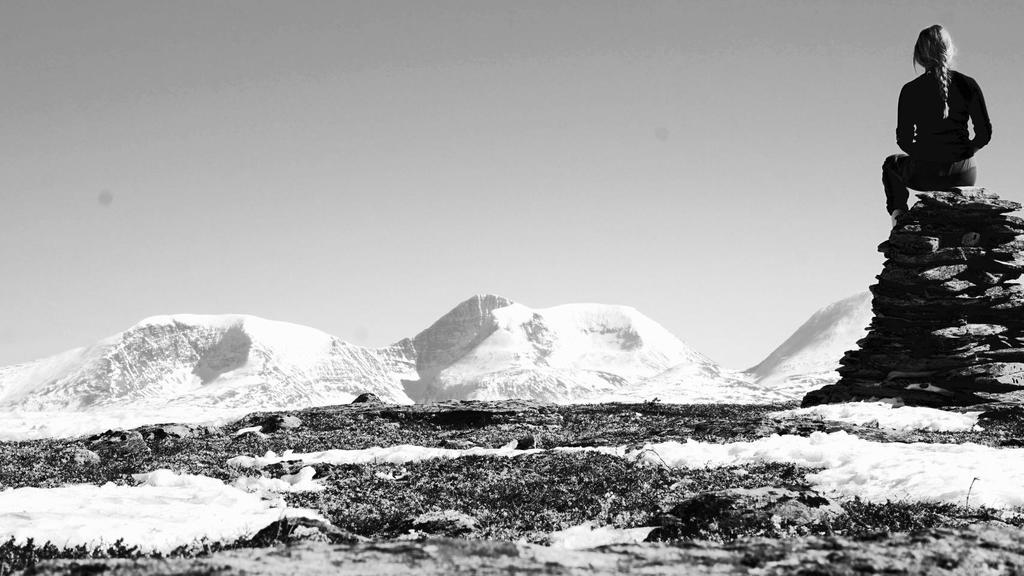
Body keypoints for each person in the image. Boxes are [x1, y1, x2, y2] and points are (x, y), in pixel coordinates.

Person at [882, 24, 992, 227]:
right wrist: (966, 150)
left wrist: (923, 153)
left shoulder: (910, 90)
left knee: (891, 164)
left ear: (920, 56)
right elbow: (984, 134)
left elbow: (903, 140)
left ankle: (899, 218)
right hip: (964, 174)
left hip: (926, 173)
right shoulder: (968, 84)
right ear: (949, 51)